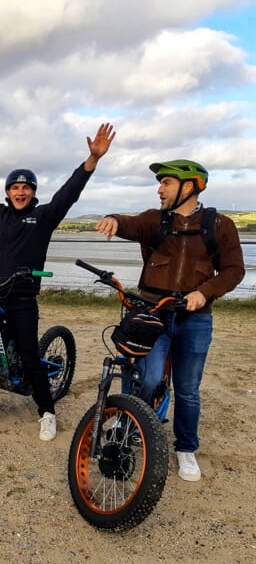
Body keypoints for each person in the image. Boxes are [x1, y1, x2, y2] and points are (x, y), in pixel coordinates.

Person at [0, 123, 116, 441]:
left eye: (26, 188)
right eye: (15, 187)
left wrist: (91, 161)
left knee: (28, 357)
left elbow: (69, 194)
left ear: (33, 193)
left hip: (22, 298)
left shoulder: (43, 217)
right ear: (8, 191)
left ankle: (46, 411)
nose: (20, 192)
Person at [96, 160, 244, 481]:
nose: (159, 189)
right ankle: (132, 422)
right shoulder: (155, 220)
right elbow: (131, 224)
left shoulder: (220, 225)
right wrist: (113, 220)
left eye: (166, 182)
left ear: (188, 186)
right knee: (146, 378)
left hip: (195, 318)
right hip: (153, 312)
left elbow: (234, 270)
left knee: (188, 389)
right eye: (160, 183)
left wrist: (205, 293)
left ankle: (186, 448)